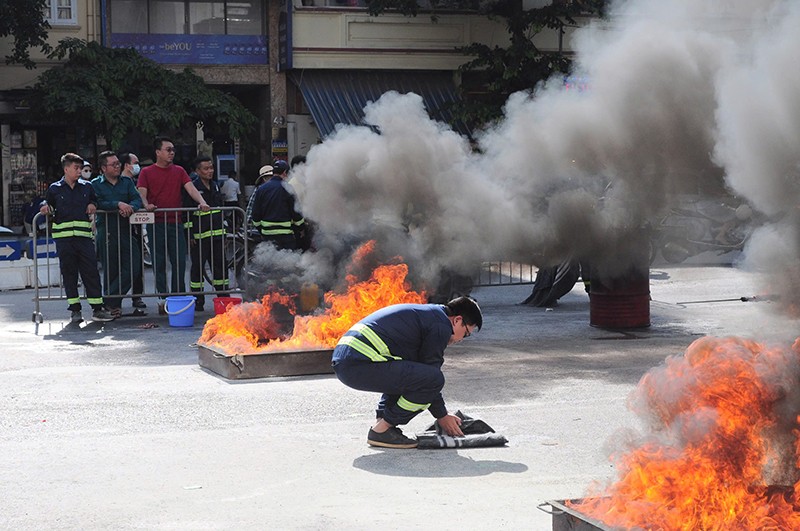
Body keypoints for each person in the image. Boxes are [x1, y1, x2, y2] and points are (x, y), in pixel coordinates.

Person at [331, 296, 483, 449]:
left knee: (412, 376)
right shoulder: (441, 325)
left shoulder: (428, 315)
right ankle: (381, 429)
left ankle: (383, 426)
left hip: (348, 361)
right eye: (466, 333)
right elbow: (431, 376)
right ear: (457, 320)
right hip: (358, 362)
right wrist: (442, 415)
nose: (462, 339)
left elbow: (408, 377)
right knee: (433, 379)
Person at [137, 137, 210, 313]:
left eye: (173, 150)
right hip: (156, 223)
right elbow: (141, 192)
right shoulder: (147, 172)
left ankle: (177, 297)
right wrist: (146, 205)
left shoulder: (179, 171)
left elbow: (190, 188)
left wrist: (202, 201)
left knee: (179, 261)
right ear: (158, 152)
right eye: (168, 149)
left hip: (176, 222)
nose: (172, 153)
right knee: (159, 262)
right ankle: (163, 299)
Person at [40, 153, 114, 323]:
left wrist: (92, 204)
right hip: (64, 240)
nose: (80, 171)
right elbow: (47, 204)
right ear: (66, 169)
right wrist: (45, 207)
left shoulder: (87, 187)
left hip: (84, 238)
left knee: (91, 273)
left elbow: (95, 201)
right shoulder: (55, 188)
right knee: (69, 274)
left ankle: (97, 309)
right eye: (76, 168)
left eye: (81, 168)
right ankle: (74, 310)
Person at [91, 150, 143, 319]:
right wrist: (117, 204)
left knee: (134, 266)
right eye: (113, 164)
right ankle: (115, 306)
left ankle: (108, 300)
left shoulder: (126, 182)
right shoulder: (95, 184)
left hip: (125, 230)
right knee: (111, 270)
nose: (117, 166)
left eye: (118, 164)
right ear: (103, 168)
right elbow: (97, 202)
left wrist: (130, 208)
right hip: (106, 230)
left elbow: (137, 199)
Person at [185, 156, 228, 312]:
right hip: (199, 237)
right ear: (197, 171)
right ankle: (198, 300)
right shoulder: (193, 188)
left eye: (211, 168)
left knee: (220, 268)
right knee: (197, 269)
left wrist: (224, 233)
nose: (210, 171)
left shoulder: (215, 186)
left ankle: (223, 297)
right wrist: (189, 234)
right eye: (206, 168)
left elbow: (220, 211)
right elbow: (187, 214)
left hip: (217, 235)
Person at [250, 160, 308, 251]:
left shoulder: (261, 189)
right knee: (286, 262)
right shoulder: (288, 188)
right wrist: (301, 228)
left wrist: (261, 229)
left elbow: (255, 214)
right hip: (285, 236)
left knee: (270, 261)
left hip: (267, 235)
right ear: (285, 172)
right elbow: (295, 212)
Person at [119, 152, 147, 311]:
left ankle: (137, 296)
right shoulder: (119, 182)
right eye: (135, 163)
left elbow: (137, 200)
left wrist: (134, 207)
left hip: (134, 229)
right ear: (127, 165)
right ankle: (115, 298)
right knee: (121, 266)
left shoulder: (133, 182)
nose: (138, 166)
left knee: (137, 265)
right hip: (118, 230)